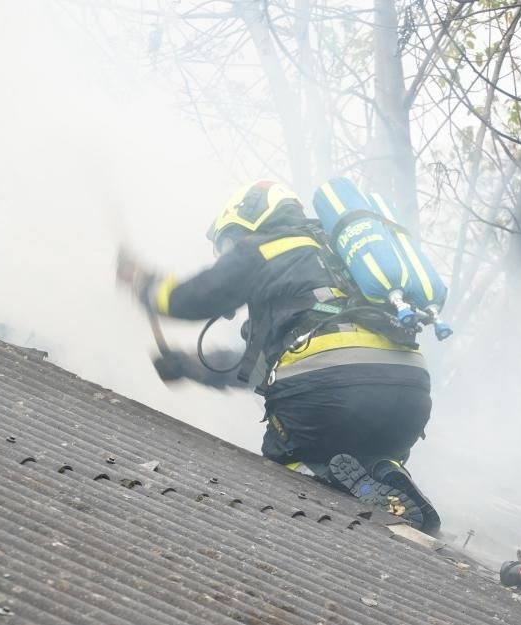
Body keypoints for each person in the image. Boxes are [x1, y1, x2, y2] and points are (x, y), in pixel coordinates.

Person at [116, 180, 440, 534]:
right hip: (409, 401)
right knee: (366, 448)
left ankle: (343, 484)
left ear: (249, 220)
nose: (229, 251)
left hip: (328, 397)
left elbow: (190, 299)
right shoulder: (345, 258)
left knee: (288, 458)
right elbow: (269, 365)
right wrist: (190, 367)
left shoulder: (264, 248)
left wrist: (144, 284)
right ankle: (386, 471)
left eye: (228, 241)